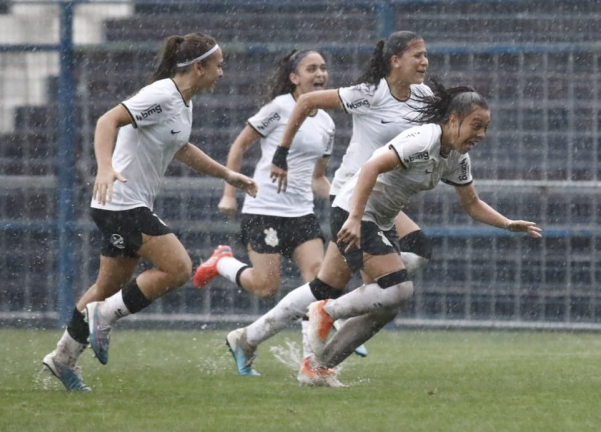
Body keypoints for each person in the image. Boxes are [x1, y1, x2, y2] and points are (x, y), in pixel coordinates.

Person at [226, 80, 542, 387]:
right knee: (398, 290)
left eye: (485, 127)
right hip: (354, 212)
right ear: (453, 119)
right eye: (476, 125)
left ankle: (316, 366)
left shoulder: (457, 157)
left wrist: (507, 223)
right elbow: (370, 168)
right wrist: (354, 217)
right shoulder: (423, 139)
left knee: (371, 297)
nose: (482, 134)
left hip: (379, 221)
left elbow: (471, 203)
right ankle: (327, 311)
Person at [41, 33, 257, 392]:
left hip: (124, 204)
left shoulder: (184, 103)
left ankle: (62, 357)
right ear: (198, 67)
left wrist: (227, 174)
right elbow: (106, 121)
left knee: (107, 286)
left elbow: (182, 147)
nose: (223, 72)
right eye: (218, 65)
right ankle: (104, 317)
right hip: (121, 202)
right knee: (178, 268)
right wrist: (105, 167)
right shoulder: (160, 94)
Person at [190, 50, 365, 375]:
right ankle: (221, 262)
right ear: (294, 77)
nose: (320, 73)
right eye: (311, 68)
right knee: (265, 286)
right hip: (264, 209)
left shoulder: (326, 121)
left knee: (318, 280)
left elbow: (317, 178)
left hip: (301, 214)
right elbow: (240, 145)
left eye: (324, 68)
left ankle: (312, 362)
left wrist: (347, 201)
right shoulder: (279, 108)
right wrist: (230, 193)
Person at [271, 31, 434, 274]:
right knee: (398, 270)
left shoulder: (424, 96)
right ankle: (321, 309)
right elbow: (306, 102)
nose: (425, 61)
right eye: (417, 55)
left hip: (381, 199)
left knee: (348, 291)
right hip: (351, 196)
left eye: (425, 55)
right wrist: (281, 154)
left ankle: (320, 311)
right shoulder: (370, 93)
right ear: (395, 61)